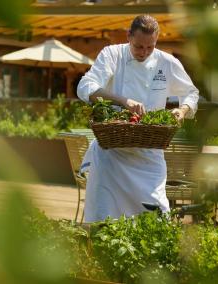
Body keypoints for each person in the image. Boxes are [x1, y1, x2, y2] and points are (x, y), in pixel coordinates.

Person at [77, 14, 199, 223]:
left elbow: (191, 92)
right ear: (128, 37)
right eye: (138, 46)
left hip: (149, 154)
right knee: (104, 218)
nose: (144, 52)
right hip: (111, 154)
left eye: (149, 47)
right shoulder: (112, 54)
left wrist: (182, 110)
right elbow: (85, 87)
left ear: (156, 41)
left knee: (158, 215)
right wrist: (122, 100)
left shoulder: (166, 62)